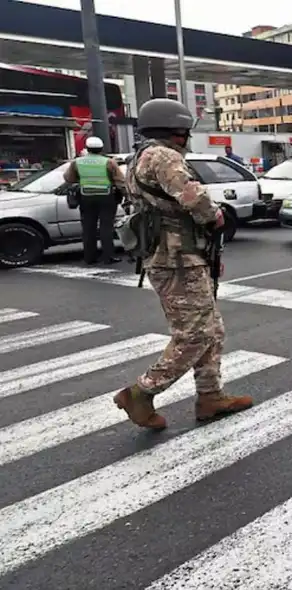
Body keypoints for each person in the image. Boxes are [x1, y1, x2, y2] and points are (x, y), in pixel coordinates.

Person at [113, 98, 252, 430]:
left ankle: (210, 396)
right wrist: (215, 216)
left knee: (211, 330)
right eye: (185, 131)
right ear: (176, 129)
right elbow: (195, 199)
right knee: (194, 335)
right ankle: (141, 392)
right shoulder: (163, 156)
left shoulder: (140, 156)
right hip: (176, 259)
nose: (187, 137)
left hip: (180, 255)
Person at [63, 136, 126, 264]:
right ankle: (108, 256)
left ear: (87, 148)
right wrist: (126, 194)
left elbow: (68, 179)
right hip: (106, 198)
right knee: (106, 227)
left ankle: (89, 257)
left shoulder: (77, 162)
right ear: (101, 148)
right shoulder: (109, 162)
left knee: (88, 228)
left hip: (86, 198)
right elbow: (120, 181)